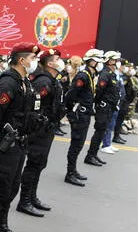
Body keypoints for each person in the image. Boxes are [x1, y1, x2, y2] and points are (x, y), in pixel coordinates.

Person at [0, 42, 41, 232]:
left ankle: (2, 226)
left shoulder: (25, 82)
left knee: (12, 187)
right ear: (21, 60)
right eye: (32, 58)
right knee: (0, 188)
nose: (34, 62)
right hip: (5, 144)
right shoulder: (7, 82)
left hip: (20, 143)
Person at [17, 49, 66, 217]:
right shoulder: (43, 81)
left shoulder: (52, 80)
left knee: (39, 164)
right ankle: (24, 201)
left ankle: (32, 197)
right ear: (50, 64)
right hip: (39, 130)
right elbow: (34, 105)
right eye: (57, 59)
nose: (61, 61)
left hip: (48, 128)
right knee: (34, 163)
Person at [63, 49, 102, 185]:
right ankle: (69, 173)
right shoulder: (83, 76)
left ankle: (73, 170)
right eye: (98, 60)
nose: (99, 63)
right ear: (91, 61)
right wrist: (71, 114)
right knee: (76, 144)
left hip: (85, 115)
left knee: (79, 144)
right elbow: (70, 95)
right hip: (79, 115)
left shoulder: (90, 75)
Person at [85, 50, 119, 166]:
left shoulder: (111, 73)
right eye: (115, 60)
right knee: (99, 132)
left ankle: (94, 154)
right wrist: (100, 104)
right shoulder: (105, 74)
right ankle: (90, 156)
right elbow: (99, 91)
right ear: (109, 61)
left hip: (109, 108)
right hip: (104, 107)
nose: (117, 62)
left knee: (102, 131)